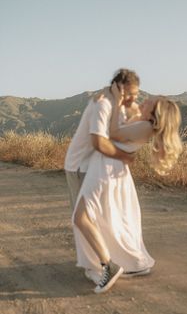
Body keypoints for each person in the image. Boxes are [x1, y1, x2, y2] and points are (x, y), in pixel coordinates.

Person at [71, 81, 183, 294]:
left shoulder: (146, 126)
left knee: (82, 217)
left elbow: (111, 132)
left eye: (151, 101)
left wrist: (116, 99)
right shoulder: (142, 122)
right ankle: (121, 261)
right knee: (102, 218)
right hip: (106, 167)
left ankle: (108, 265)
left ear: (156, 112)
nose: (146, 100)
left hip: (106, 170)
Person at [64, 69, 141, 293]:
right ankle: (99, 266)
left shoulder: (113, 102)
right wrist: (124, 156)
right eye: (130, 93)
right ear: (118, 87)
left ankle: (103, 264)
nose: (133, 99)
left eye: (136, 94)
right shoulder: (102, 104)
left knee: (91, 218)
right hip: (80, 166)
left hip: (95, 167)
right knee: (84, 219)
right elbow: (98, 141)